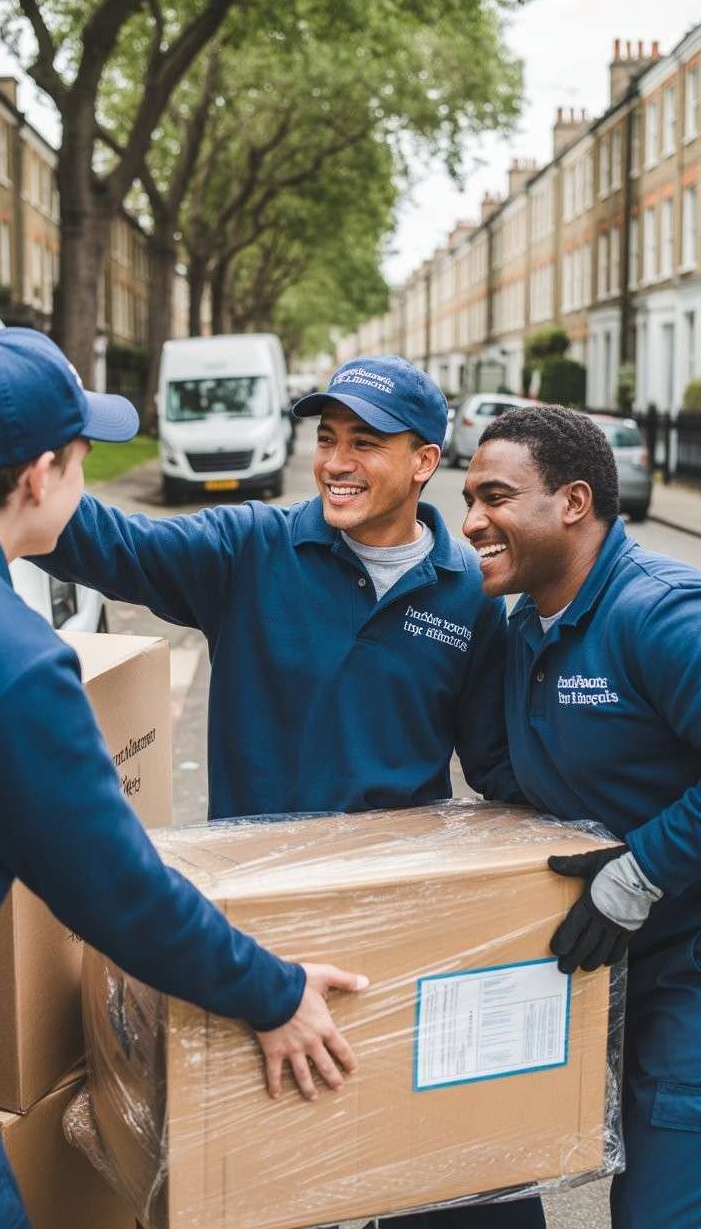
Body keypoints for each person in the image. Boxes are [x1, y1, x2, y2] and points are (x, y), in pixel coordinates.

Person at [0, 327, 366, 1229]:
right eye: (83, 456)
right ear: (37, 479)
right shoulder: (8, 655)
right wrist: (275, 991)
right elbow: (115, 891)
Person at [35, 354, 545, 1229]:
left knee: (447, 1180)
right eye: (327, 438)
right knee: (265, 1184)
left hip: (399, 921)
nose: (337, 460)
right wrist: (22, 463)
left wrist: (591, 822)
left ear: (426, 462)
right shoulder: (249, 548)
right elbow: (105, 544)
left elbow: (495, 768)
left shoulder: (467, 595)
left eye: (366, 443)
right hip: (258, 936)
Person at [462, 404, 701, 1229]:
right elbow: (523, 776)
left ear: (572, 502)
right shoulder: (528, 623)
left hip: (687, 972)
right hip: (607, 968)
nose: (471, 522)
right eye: (468, 499)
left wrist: (639, 873)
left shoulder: (661, 613)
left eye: (495, 496)